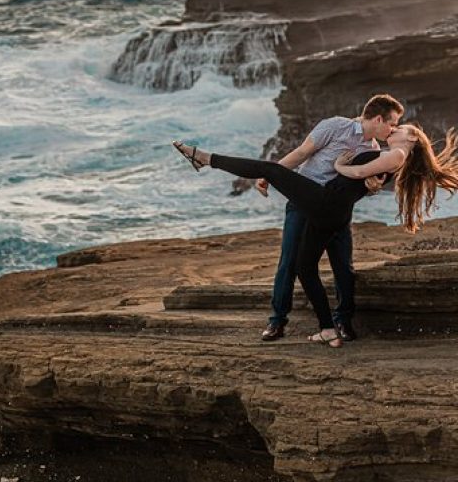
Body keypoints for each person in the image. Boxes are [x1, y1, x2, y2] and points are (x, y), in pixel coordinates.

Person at [173, 123, 458, 347]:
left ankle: (205, 158)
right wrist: (365, 180)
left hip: (325, 203)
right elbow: (365, 179)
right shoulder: (388, 154)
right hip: (331, 210)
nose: (397, 129)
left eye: (403, 129)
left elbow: (358, 171)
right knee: (304, 268)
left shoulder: (396, 154)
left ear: (412, 140)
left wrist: (339, 167)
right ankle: (327, 330)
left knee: (269, 169)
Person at [254, 95, 404, 342]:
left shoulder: (374, 150)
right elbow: (302, 153)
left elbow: (360, 186)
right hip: (304, 204)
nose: (393, 129)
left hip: (336, 213)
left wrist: (372, 187)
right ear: (378, 119)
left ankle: (343, 321)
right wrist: (271, 174)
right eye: (392, 123)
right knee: (289, 261)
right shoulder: (335, 126)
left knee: (343, 266)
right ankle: (277, 321)